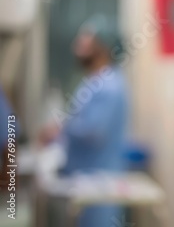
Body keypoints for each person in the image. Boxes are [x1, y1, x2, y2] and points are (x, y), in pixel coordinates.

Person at [41, 15, 129, 227]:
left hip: (98, 184)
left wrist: (61, 130)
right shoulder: (95, 81)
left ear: (101, 47)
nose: (76, 47)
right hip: (84, 181)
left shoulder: (110, 85)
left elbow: (94, 132)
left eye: (84, 41)